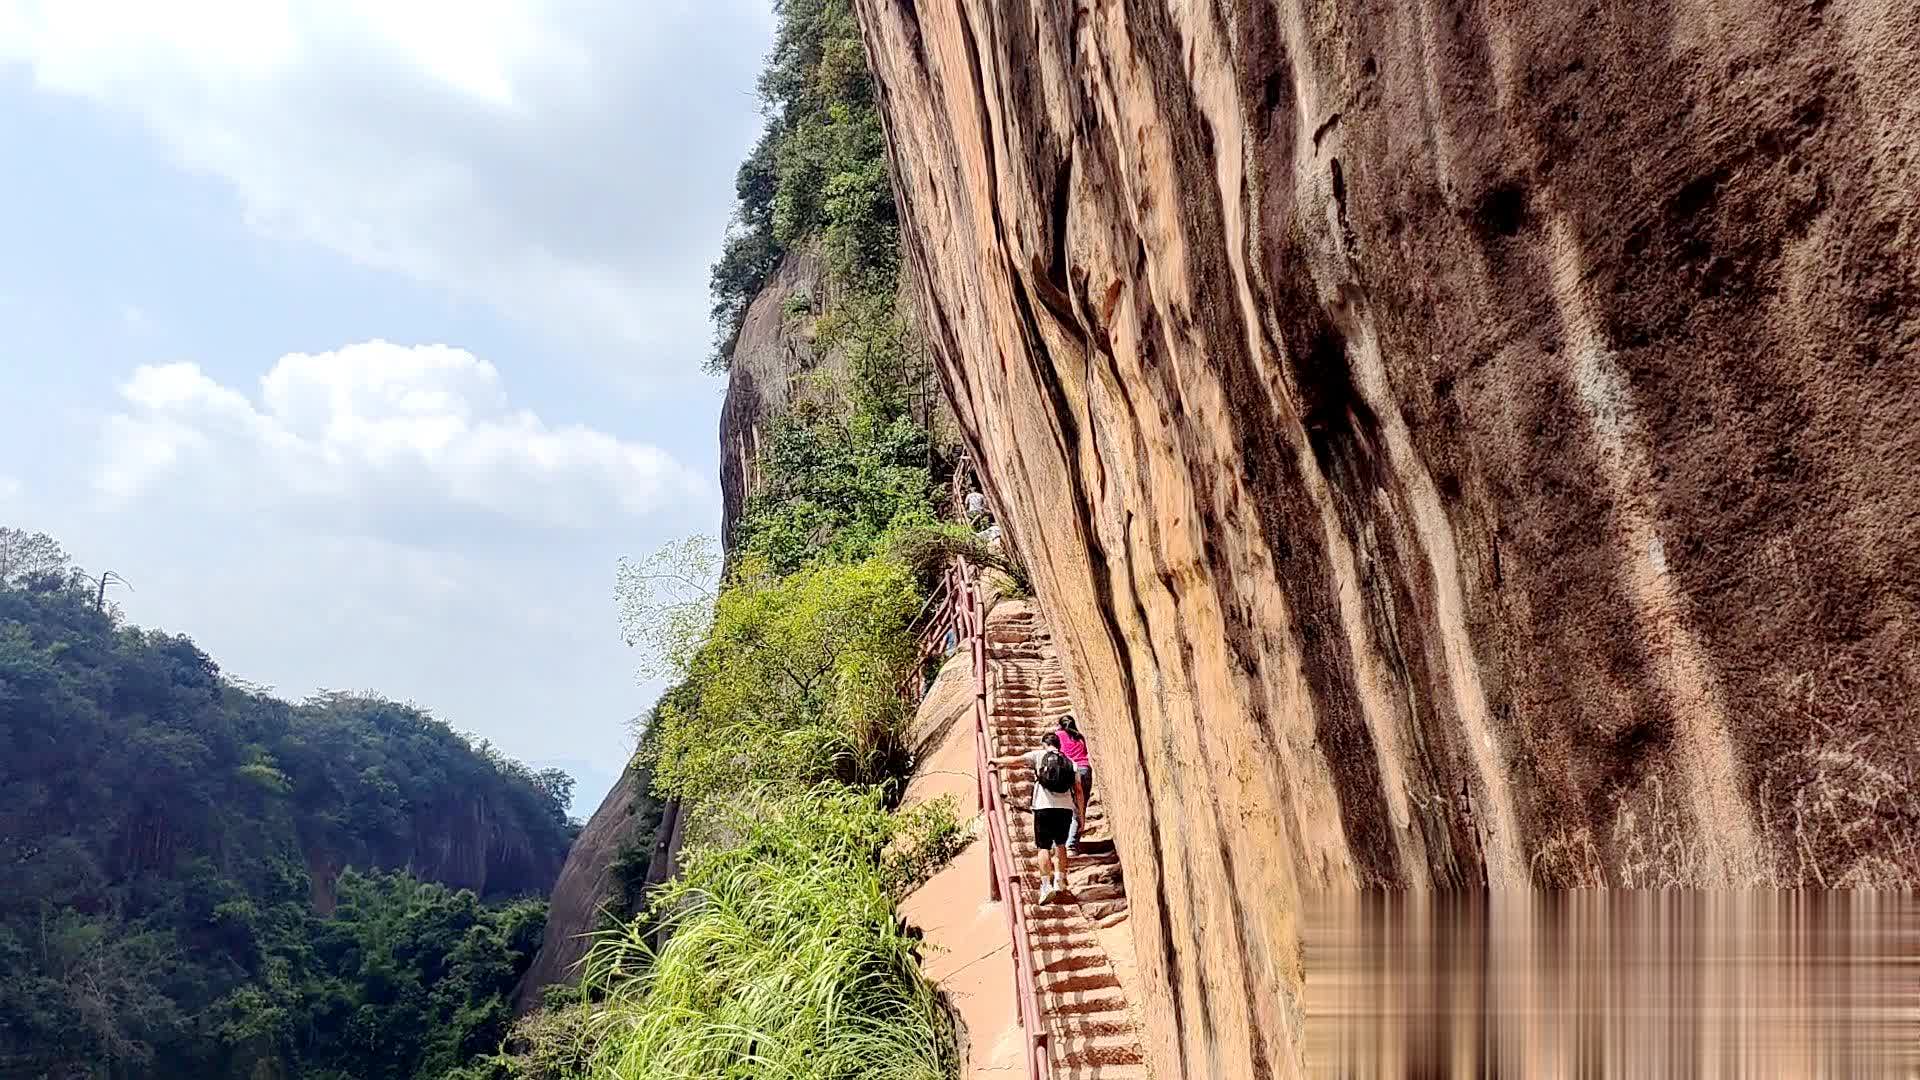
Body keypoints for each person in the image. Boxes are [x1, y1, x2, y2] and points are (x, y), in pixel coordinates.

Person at [1018, 732, 1079, 901]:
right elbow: (1079, 790)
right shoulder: (1070, 763)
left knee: (1043, 847)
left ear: (1045, 744)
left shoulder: (1039, 755)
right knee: (1060, 845)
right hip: (1065, 808)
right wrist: (1080, 813)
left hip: (1043, 807)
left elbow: (1016, 760)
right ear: (1059, 745)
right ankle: (1060, 880)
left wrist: (995, 762)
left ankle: (1046, 886)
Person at [1055, 716, 1093, 852]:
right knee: (1079, 807)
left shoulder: (1058, 735)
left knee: (1065, 806)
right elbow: (1085, 753)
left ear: (1060, 725)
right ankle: (1072, 845)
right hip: (1085, 769)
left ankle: (1062, 843)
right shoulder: (1080, 736)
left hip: (1070, 771)